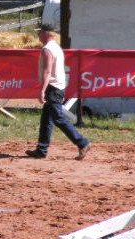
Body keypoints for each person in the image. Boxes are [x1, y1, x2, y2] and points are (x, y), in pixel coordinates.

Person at [26, 24, 91, 160]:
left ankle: (82, 142)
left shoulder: (47, 50)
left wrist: (42, 90)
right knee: (46, 119)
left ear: (46, 33)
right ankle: (41, 150)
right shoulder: (56, 47)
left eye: (40, 32)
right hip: (58, 87)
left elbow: (47, 71)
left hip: (53, 88)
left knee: (58, 118)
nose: (38, 35)